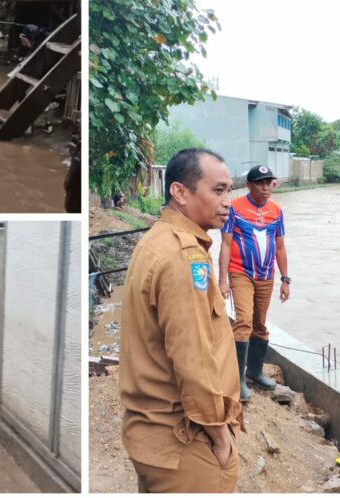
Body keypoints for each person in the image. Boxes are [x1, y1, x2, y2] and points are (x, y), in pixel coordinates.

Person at [119, 148, 242, 493]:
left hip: (152, 437)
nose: (228, 201)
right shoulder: (184, 258)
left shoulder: (156, 242)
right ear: (180, 192)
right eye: (217, 190)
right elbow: (193, 358)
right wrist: (219, 435)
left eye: (229, 190)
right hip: (185, 441)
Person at [219, 165, 290, 401]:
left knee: (260, 324)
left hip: (266, 275)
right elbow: (226, 244)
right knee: (244, 322)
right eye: (260, 183)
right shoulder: (235, 209)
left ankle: (255, 372)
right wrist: (222, 280)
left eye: (269, 182)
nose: (265, 187)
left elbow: (280, 246)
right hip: (241, 273)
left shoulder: (276, 211)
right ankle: (237, 379)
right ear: (248, 185)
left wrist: (285, 279)